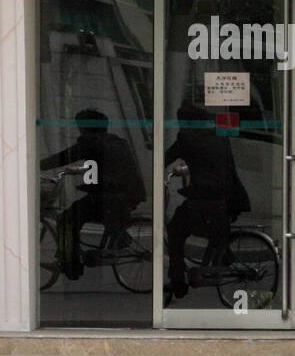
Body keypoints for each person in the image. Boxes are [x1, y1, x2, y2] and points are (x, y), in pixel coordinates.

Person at [40, 109, 146, 279]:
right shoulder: (117, 142)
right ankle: (119, 235)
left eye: (79, 125)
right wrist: (79, 169)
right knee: (91, 213)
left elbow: (62, 158)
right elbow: (107, 165)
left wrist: (33, 164)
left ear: (84, 127)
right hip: (127, 195)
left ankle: (71, 266)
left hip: (108, 197)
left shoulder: (90, 143)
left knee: (67, 219)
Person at [164, 103, 250, 301]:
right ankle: (222, 261)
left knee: (175, 230)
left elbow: (166, 157)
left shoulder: (186, 138)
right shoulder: (220, 137)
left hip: (202, 201)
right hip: (227, 200)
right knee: (216, 232)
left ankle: (177, 281)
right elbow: (214, 166)